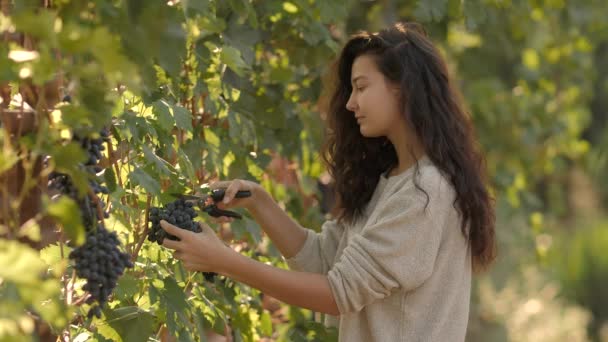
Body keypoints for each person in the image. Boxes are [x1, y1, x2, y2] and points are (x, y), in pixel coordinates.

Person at [160, 21, 496, 341]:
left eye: (361, 87)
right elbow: (320, 259)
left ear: (404, 88)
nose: (350, 103)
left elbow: (338, 294)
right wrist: (259, 202)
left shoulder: (426, 192)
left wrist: (225, 261)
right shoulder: (391, 181)